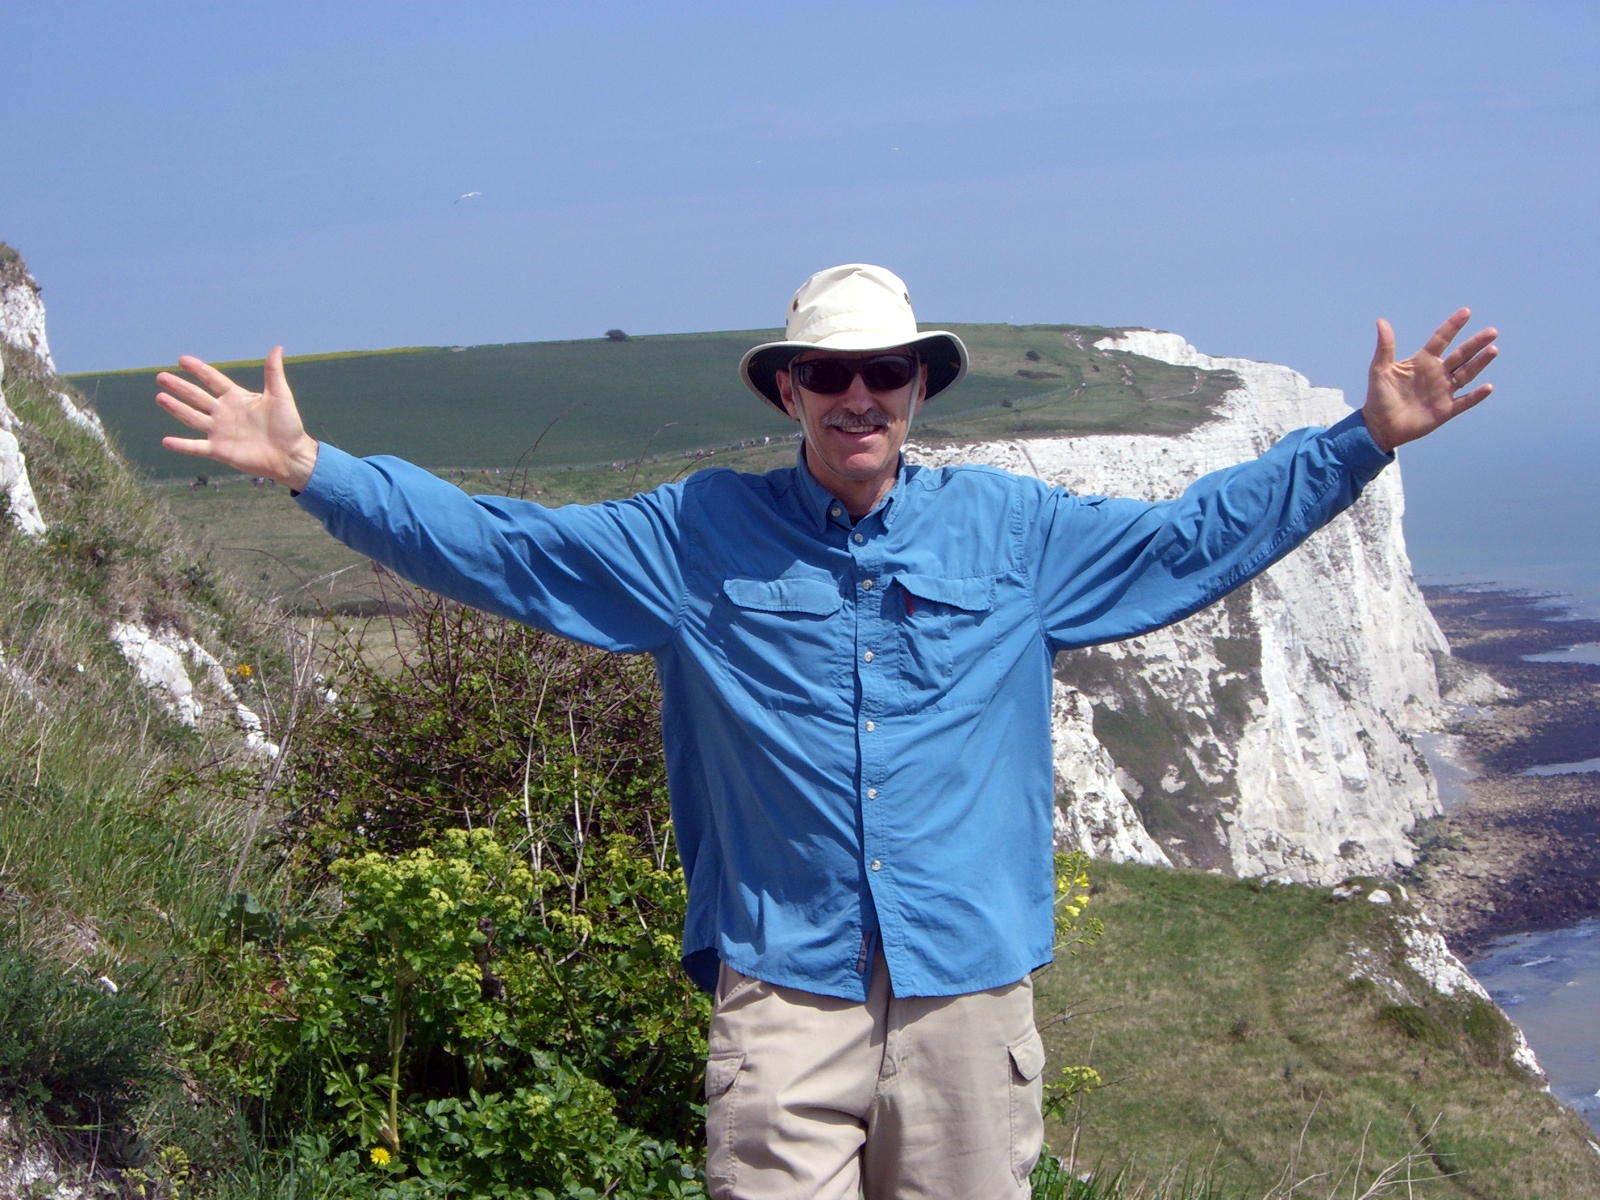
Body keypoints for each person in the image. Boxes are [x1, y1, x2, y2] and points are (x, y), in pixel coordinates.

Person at [156, 264, 1497, 1199]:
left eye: (887, 373)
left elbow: (1190, 539)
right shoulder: (691, 538)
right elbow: (507, 551)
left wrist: (1360, 441)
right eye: (831, 374)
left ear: (922, 385)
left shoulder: (1014, 535)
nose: (862, 396)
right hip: (782, 987)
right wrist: (316, 472)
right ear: (787, 389)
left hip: (967, 987)